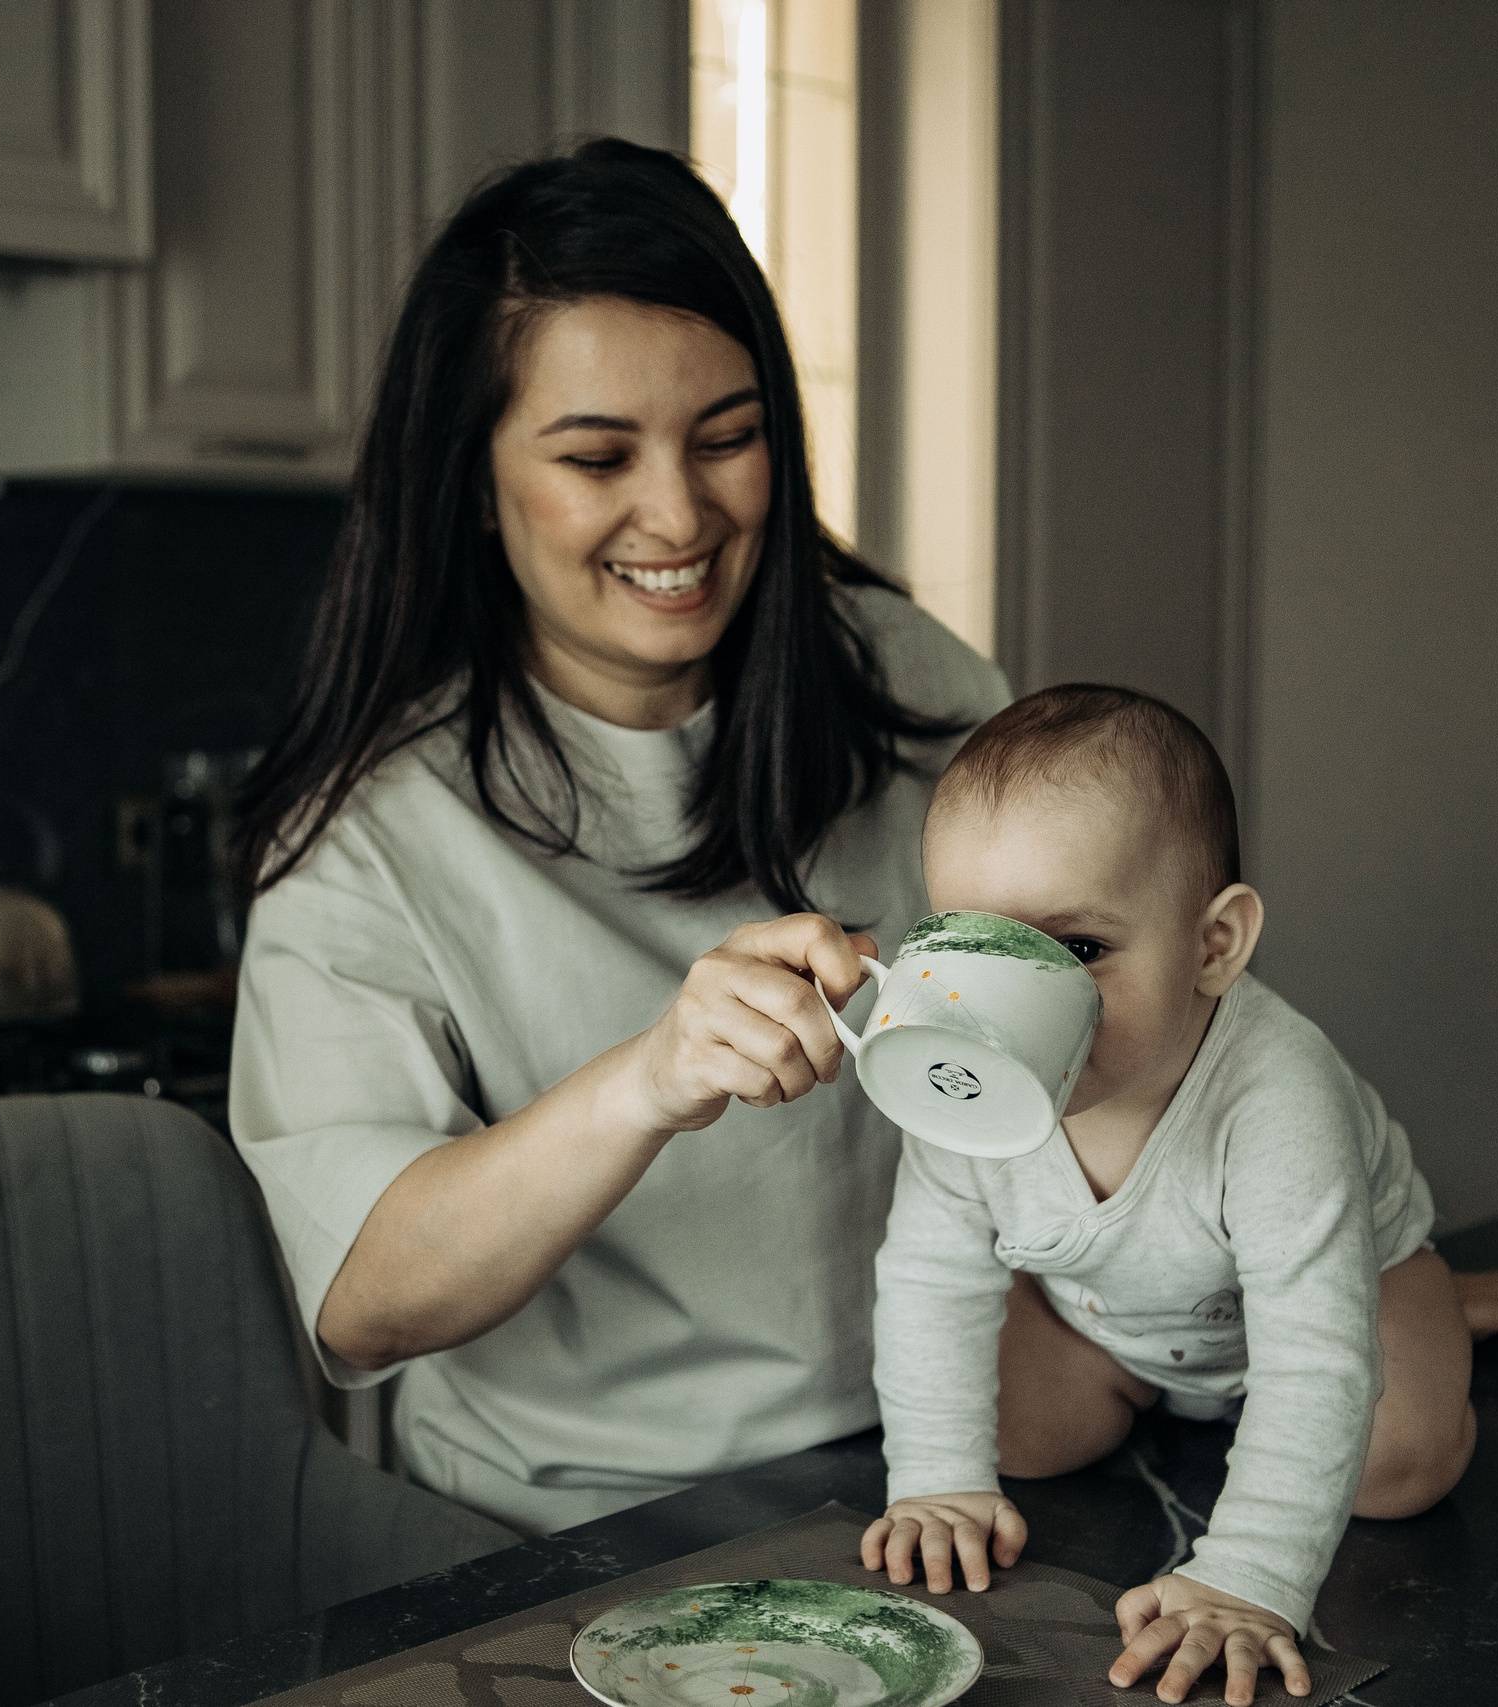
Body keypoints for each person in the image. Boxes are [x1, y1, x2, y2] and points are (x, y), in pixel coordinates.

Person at [225, 138, 1009, 1532]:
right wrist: (648, 1077)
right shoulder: (366, 829)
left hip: (947, 1452)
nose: (682, 513)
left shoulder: (913, 682)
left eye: (728, 435)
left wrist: (1336, 1273)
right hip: (580, 1524)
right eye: (598, 455)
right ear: (474, 480)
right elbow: (364, 1294)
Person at [858, 685, 1498, 1707]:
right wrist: (934, 1478)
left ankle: (1435, 1300)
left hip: (1330, 1294)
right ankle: (1149, 1374)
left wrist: (1246, 1578)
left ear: (1213, 946)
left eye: (1080, 950)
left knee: (1398, 1468)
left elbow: (1317, 1354)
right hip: (1111, 1312)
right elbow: (927, 1275)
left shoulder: (1278, 1094)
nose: (1012, 1009)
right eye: (972, 948)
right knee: (1018, 1444)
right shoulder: (968, 1078)